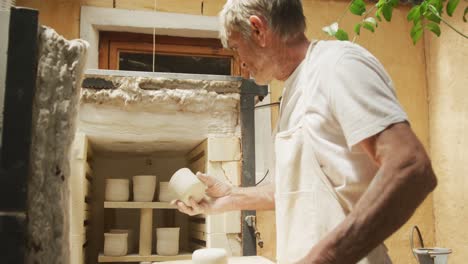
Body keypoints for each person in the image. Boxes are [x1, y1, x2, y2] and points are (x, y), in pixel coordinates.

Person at [173, 0, 438, 263]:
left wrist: (325, 258)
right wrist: (229, 196)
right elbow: (293, 189)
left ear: (258, 30)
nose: (240, 61)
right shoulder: (293, 89)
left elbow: (411, 167)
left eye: (236, 47)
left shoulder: (338, 65)